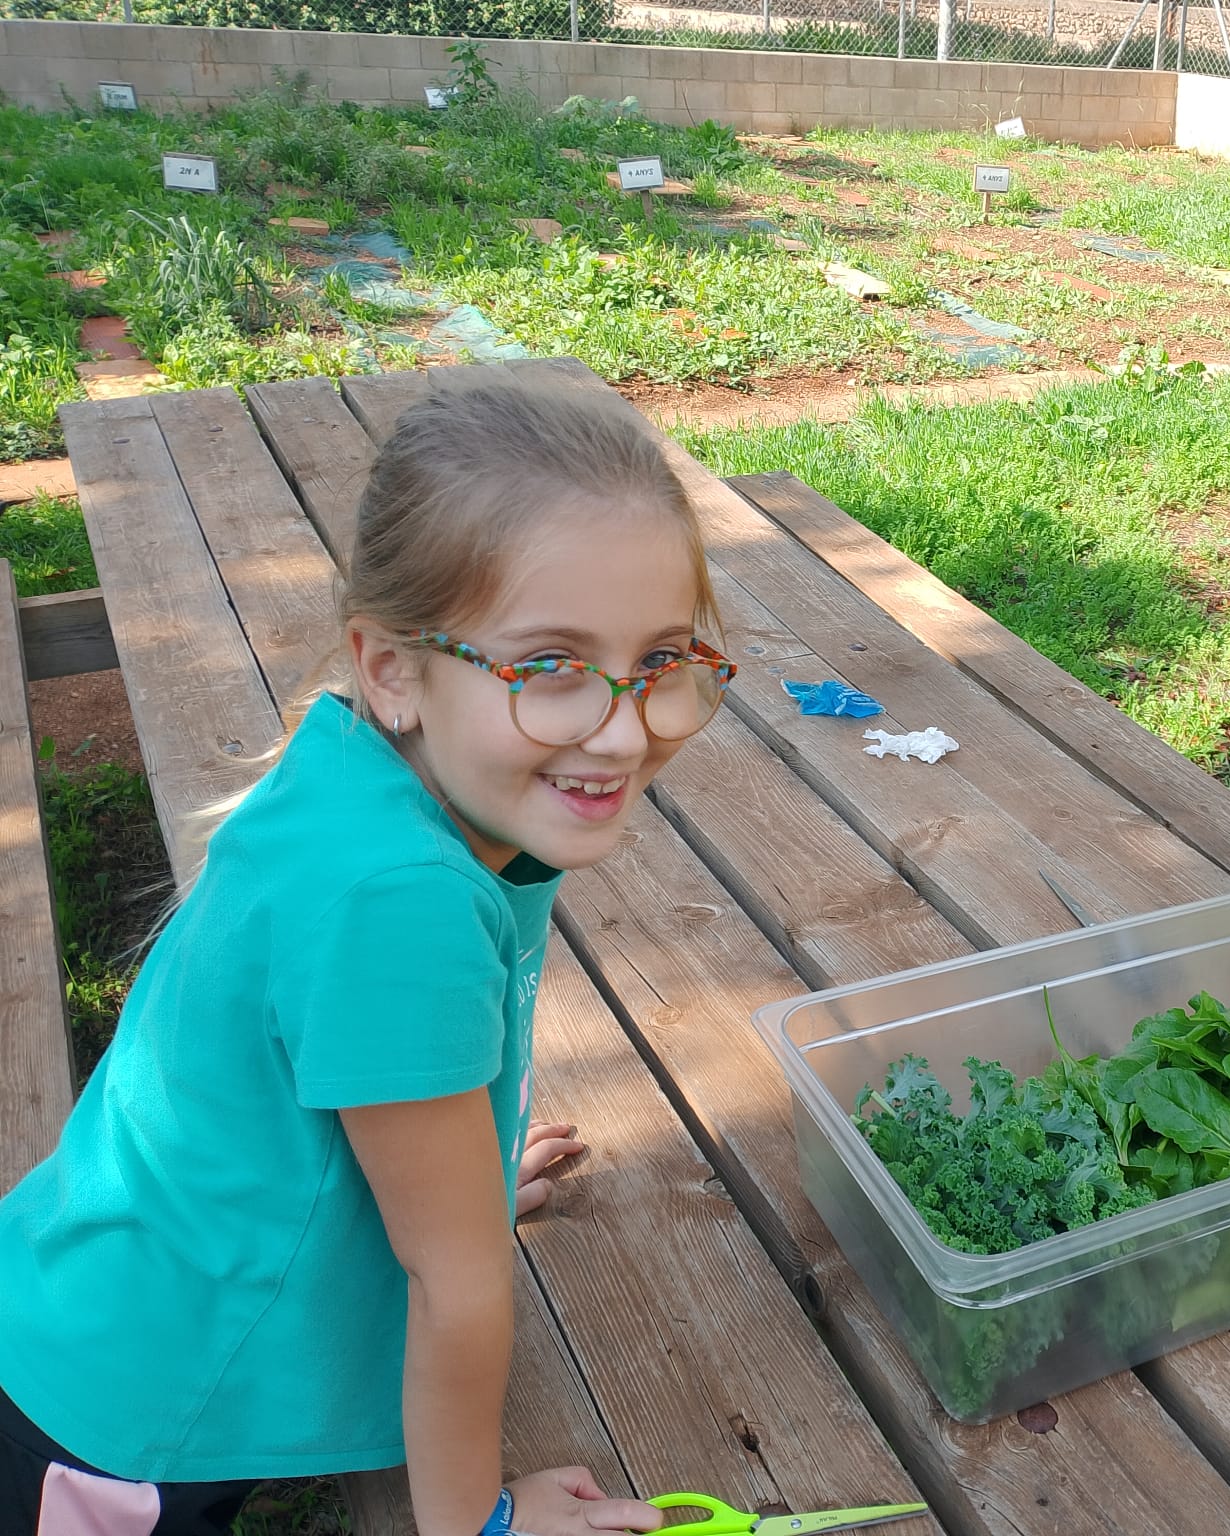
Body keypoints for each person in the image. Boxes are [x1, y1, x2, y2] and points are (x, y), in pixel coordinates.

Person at [0, 380, 734, 1536]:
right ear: (393, 670)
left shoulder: (388, 765)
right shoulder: (400, 900)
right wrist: (480, 1524)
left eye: (663, 660)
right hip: (123, 1420)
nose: (625, 727)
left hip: (100, 1292)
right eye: (549, 666)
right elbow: (457, 1287)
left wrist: (462, 1178)